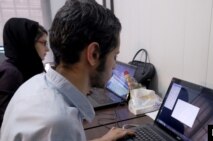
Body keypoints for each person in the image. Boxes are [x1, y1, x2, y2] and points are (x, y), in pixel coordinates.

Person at [0, 0, 134, 141]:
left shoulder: (34, 84)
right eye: (115, 55)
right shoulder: (59, 123)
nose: (114, 65)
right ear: (94, 54)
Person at [0, 17, 49, 127]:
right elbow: (5, 121)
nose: (47, 49)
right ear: (28, 43)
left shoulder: (30, 67)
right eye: (44, 43)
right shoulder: (11, 74)